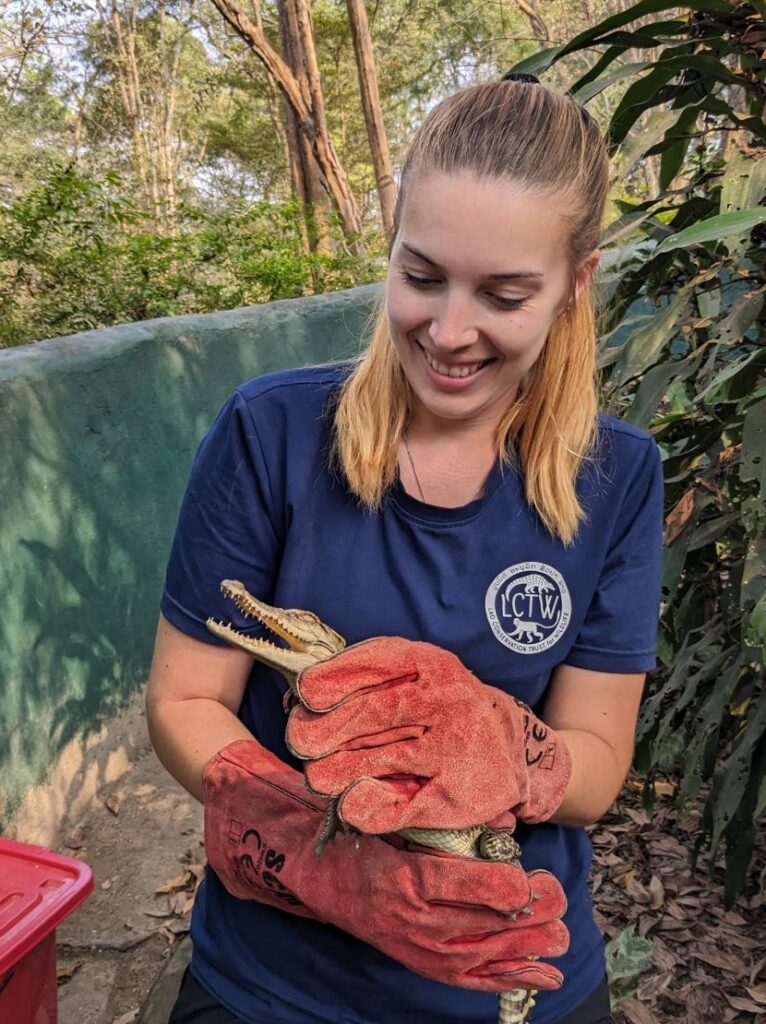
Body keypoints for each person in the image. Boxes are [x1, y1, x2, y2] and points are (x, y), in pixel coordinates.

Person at [146, 75, 664, 1024]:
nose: (449, 330)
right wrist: (321, 851)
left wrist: (511, 748)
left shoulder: (619, 476)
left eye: (504, 295)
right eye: (421, 276)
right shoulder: (271, 432)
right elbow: (184, 699)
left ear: (576, 283)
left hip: (513, 962)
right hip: (272, 980)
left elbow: (596, 766)